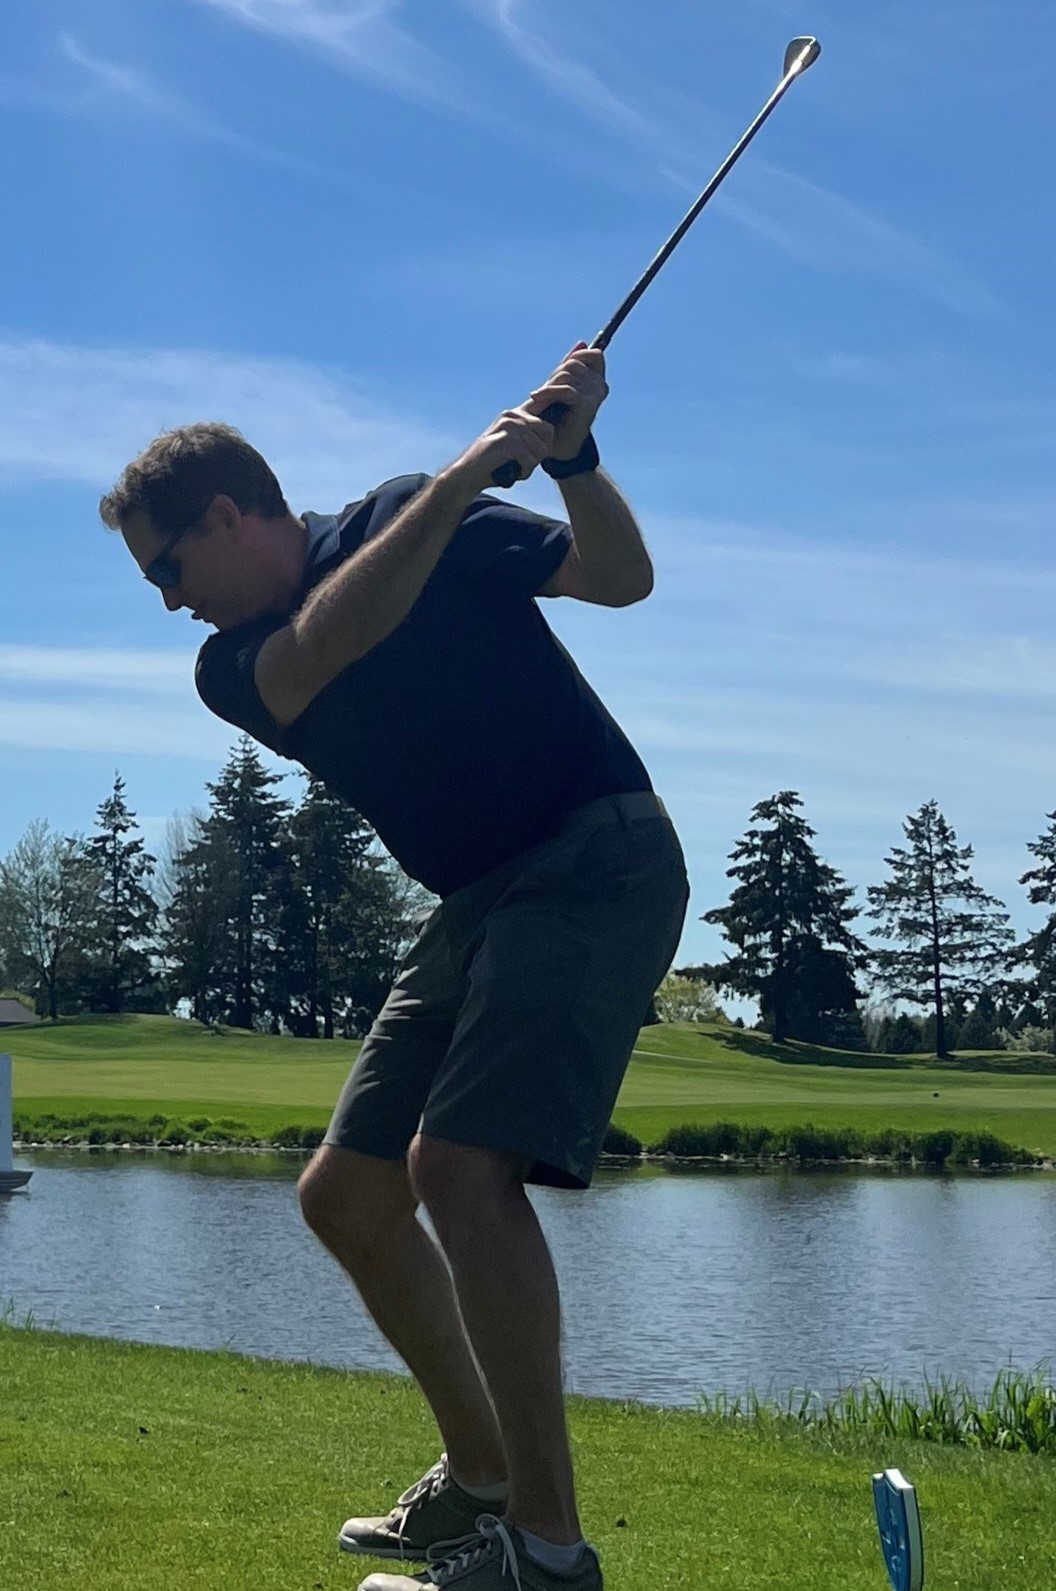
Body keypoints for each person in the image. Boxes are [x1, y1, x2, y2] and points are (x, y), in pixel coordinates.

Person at [101, 346, 689, 1591]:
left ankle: (544, 1551)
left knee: (458, 1171)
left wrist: (572, 458)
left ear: (224, 514)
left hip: (595, 856)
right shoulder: (233, 662)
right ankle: (479, 1479)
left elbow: (622, 579)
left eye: (168, 566)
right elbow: (328, 644)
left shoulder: (400, 510)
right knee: (346, 1194)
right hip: (477, 896)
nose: (166, 599)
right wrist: (463, 478)